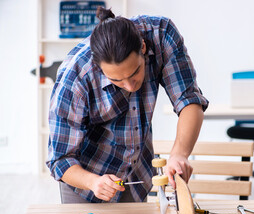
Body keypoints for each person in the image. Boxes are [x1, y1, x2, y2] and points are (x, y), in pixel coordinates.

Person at [46, 7, 209, 203]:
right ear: (99, 68)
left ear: (142, 47)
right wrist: (93, 182)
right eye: (117, 80)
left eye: (135, 72)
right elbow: (59, 159)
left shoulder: (161, 35)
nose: (130, 86)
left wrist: (179, 154)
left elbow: (189, 100)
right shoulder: (74, 79)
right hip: (86, 185)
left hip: (137, 177)